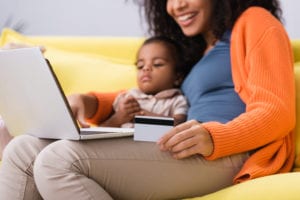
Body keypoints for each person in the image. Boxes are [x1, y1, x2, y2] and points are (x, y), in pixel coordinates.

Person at [0, 0, 295, 199]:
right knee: (22, 149)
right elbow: (151, 94)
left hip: (227, 149)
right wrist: (89, 101)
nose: (176, 6)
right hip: (180, 136)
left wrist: (215, 137)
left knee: (59, 160)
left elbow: (277, 110)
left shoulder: (255, 22)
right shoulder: (194, 47)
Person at [98, 36, 189, 128]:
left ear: (178, 77)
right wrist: (118, 118)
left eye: (157, 64)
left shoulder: (177, 101)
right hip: (121, 142)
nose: (145, 68)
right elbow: (100, 133)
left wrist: (142, 115)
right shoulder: (126, 97)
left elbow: (179, 126)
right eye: (140, 66)